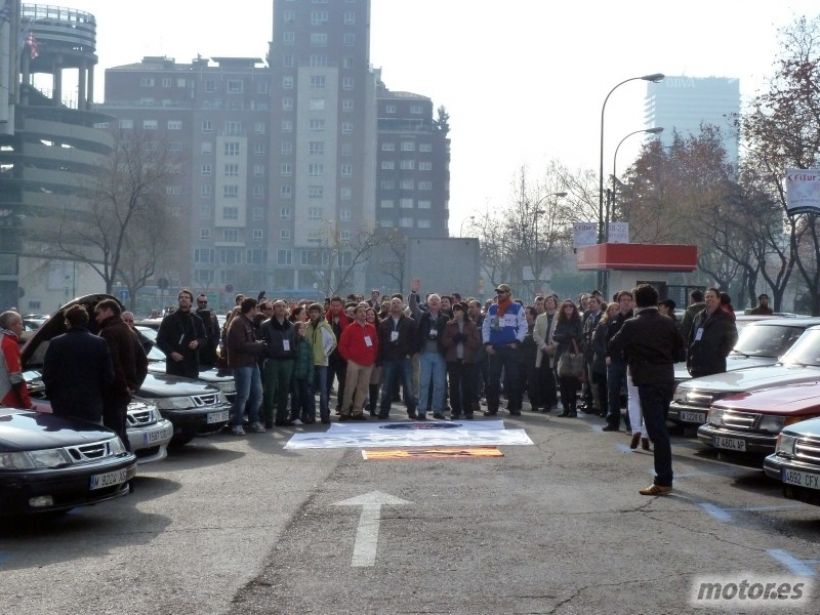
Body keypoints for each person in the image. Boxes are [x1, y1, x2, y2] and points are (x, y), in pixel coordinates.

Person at [609, 284, 685, 496]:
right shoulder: (668, 322)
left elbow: (613, 345)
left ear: (636, 301)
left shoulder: (632, 325)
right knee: (659, 427)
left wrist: (632, 353)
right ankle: (664, 477)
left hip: (646, 379)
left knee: (657, 431)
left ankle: (663, 479)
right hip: (666, 378)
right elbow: (681, 351)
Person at [42, 305, 114, 423]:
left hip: (63, 403)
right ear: (86, 320)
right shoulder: (100, 343)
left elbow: (48, 373)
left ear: (68, 322)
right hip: (91, 403)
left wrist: (53, 395)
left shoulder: (57, 342)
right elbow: (108, 375)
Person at [95, 299, 147, 450]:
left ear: (108, 311)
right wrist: (133, 386)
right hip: (125, 392)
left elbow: (113, 364)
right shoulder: (128, 330)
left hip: (114, 392)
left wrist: (123, 386)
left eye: (98, 313)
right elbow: (143, 362)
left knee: (115, 433)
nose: (96, 318)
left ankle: (123, 466)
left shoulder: (109, 332)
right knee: (122, 431)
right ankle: (129, 462)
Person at [481, 284, 527, 417]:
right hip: (495, 349)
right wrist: (487, 344)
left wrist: (517, 342)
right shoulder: (493, 308)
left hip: (510, 348)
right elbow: (486, 327)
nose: (499, 294)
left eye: (502, 292)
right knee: (492, 379)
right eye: (498, 292)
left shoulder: (517, 308)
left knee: (513, 378)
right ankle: (492, 407)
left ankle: (514, 407)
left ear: (508, 293)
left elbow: (523, 327)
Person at [226, 297, 267, 435]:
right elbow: (240, 345)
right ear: (251, 308)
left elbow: (248, 342)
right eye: (256, 308)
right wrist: (259, 345)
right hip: (241, 363)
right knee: (243, 395)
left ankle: (253, 421)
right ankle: (237, 423)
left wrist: (257, 343)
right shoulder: (238, 322)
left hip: (251, 362)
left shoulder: (248, 322)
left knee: (258, 393)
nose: (258, 310)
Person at [377, 297, 417, 420]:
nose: (395, 305)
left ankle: (411, 411)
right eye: (393, 303)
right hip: (389, 359)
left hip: (405, 359)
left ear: (402, 306)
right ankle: (384, 411)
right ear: (389, 307)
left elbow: (415, 341)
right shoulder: (383, 323)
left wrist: (410, 353)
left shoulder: (410, 322)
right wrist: (381, 358)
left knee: (408, 387)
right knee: (387, 387)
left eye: (398, 303)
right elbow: (380, 342)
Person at [338, 304, 379, 420]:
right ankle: (345, 411)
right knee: (350, 387)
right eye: (360, 312)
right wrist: (349, 359)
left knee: (363, 388)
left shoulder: (371, 328)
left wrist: (373, 358)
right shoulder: (350, 328)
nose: (363, 314)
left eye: (364, 312)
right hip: (354, 362)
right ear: (355, 315)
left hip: (368, 363)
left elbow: (376, 344)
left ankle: (357, 411)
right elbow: (342, 346)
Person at [603, 290, 637, 432]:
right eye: (623, 300)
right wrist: (607, 355)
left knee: (631, 394)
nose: (626, 302)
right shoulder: (614, 319)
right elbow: (608, 340)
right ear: (619, 302)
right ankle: (613, 421)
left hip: (630, 361)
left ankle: (631, 422)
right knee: (613, 392)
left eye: (628, 299)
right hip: (615, 361)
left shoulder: (636, 319)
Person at [441, 302, 481, 419]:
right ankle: (456, 410)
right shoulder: (449, 325)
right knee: (453, 386)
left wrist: (466, 339)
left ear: (464, 311)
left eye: (458, 310)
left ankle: (468, 410)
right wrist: (454, 339)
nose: (456, 313)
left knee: (467, 386)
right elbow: (444, 342)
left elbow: (477, 343)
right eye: (454, 311)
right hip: (453, 360)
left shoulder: (471, 325)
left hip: (467, 360)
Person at [687, 288, 738, 378]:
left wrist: (720, 354)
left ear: (718, 299)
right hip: (697, 366)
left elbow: (733, 338)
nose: (709, 299)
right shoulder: (698, 316)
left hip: (715, 367)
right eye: (707, 297)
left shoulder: (725, 317)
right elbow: (691, 339)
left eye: (712, 296)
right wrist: (689, 359)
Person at [156, 289, 207, 379]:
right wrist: (171, 353)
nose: (183, 299)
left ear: (191, 302)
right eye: (181, 297)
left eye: (186, 297)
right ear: (178, 300)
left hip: (192, 365)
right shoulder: (169, 319)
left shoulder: (197, 320)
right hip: (174, 365)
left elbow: (204, 338)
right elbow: (160, 340)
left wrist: (197, 342)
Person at [261, 300, 297, 427]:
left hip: (287, 361)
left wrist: (292, 356)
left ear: (286, 308)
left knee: (284, 390)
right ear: (273, 309)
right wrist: (266, 357)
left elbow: (293, 343)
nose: (281, 308)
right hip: (272, 360)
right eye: (278, 306)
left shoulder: (291, 326)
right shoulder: (265, 325)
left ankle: (281, 418)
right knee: (270, 390)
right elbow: (262, 343)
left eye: (283, 306)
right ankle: (268, 419)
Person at [413, 293, 449, 420]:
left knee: (439, 384)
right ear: (428, 303)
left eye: (436, 300)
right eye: (432, 300)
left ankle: (437, 410)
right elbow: (413, 307)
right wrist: (413, 293)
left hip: (440, 354)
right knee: (423, 383)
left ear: (440, 304)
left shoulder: (445, 318)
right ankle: (421, 410)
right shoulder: (423, 316)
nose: (434, 302)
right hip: (425, 354)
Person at [305, 303, 337, 424]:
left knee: (324, 391)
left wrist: (325, 354)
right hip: (310, 363)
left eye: (315, 312)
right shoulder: (306, 326)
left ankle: (324, 415)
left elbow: (333, 342)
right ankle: (311, 415)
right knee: (310, 391)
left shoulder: (325, 326)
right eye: (311, 312)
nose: (313, 314)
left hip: (322, 363)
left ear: (320, 313)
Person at [553, 299, 584, 417]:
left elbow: (580, 336)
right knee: (562, 384)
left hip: (573, 353)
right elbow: (555, 336)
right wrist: (567, 335)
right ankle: (565, 409)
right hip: (561, 354)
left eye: (571, 306)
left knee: (572, 384)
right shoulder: (560, 321)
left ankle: (573, 409)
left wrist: (570, 337)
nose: (568, 308)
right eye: (566, 306)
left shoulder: (578, 321)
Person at [0, 310, 33, 409]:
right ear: (12, 325)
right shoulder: (9, 344)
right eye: (20, 324)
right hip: (8, 400)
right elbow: (16, 378)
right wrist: (27, 404)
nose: (22, 328)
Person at [532, 295, 559, 412]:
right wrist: (544, 347)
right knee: (543, 378)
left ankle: (553, 401)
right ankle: (545, 402)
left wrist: (553, 346)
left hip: (555, 352)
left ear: (555, 303)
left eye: (551, 301)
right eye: (547, 301)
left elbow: (561, 333)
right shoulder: (540, 318)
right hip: (543, 352)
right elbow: (535, 334)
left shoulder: (560, 316)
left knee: (553, 378)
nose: (549, 303)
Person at [325, 296, 349, 413]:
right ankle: (325, 408)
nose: (335, 308)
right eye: (333, 305)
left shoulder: (348, 319)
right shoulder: (324, 319)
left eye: (337, 305)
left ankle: (341, 406)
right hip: (328, 357)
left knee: (343, 384)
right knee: (327, 385)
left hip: (342, 357)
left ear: (342, 306)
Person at [581, 295, 604, 414]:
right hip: (589, 354)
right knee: (590, 381)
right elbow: (584, 335)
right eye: (589, 303)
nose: (590, 305)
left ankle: (600, 406)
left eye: (593, 302)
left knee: (598, 382)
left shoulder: (603, 317)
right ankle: (594, 404)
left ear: (600, 303)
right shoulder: (588, 317)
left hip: (600, 355)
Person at [291, 322, 316, 424]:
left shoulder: (307, 342)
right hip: (295, 374)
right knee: (296, 396)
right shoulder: (293, 342)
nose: (302, 330)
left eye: (304, 328)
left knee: (305, 396)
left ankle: (305, 415)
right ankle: (295, 416)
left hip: (305, 374)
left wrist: (310, 375)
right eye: (300, 328)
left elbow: (311, 360)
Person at [365, 307, 382, 417]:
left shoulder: (380, 328)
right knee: (362, 385)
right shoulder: (363, 327)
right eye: (368, 314)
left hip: (376, 360)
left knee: (374, 385)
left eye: (372, 314)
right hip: (364, 360)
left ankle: (373, 407)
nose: (370, 316)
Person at [196, 294, 221, 369]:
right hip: (198, 351)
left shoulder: (212, 315)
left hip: (211, 351)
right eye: (201, 302)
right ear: (197, 302)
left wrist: (214, 344)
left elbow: (217, 331)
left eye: (205, 302)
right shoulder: (193, 315)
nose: (203, 304)